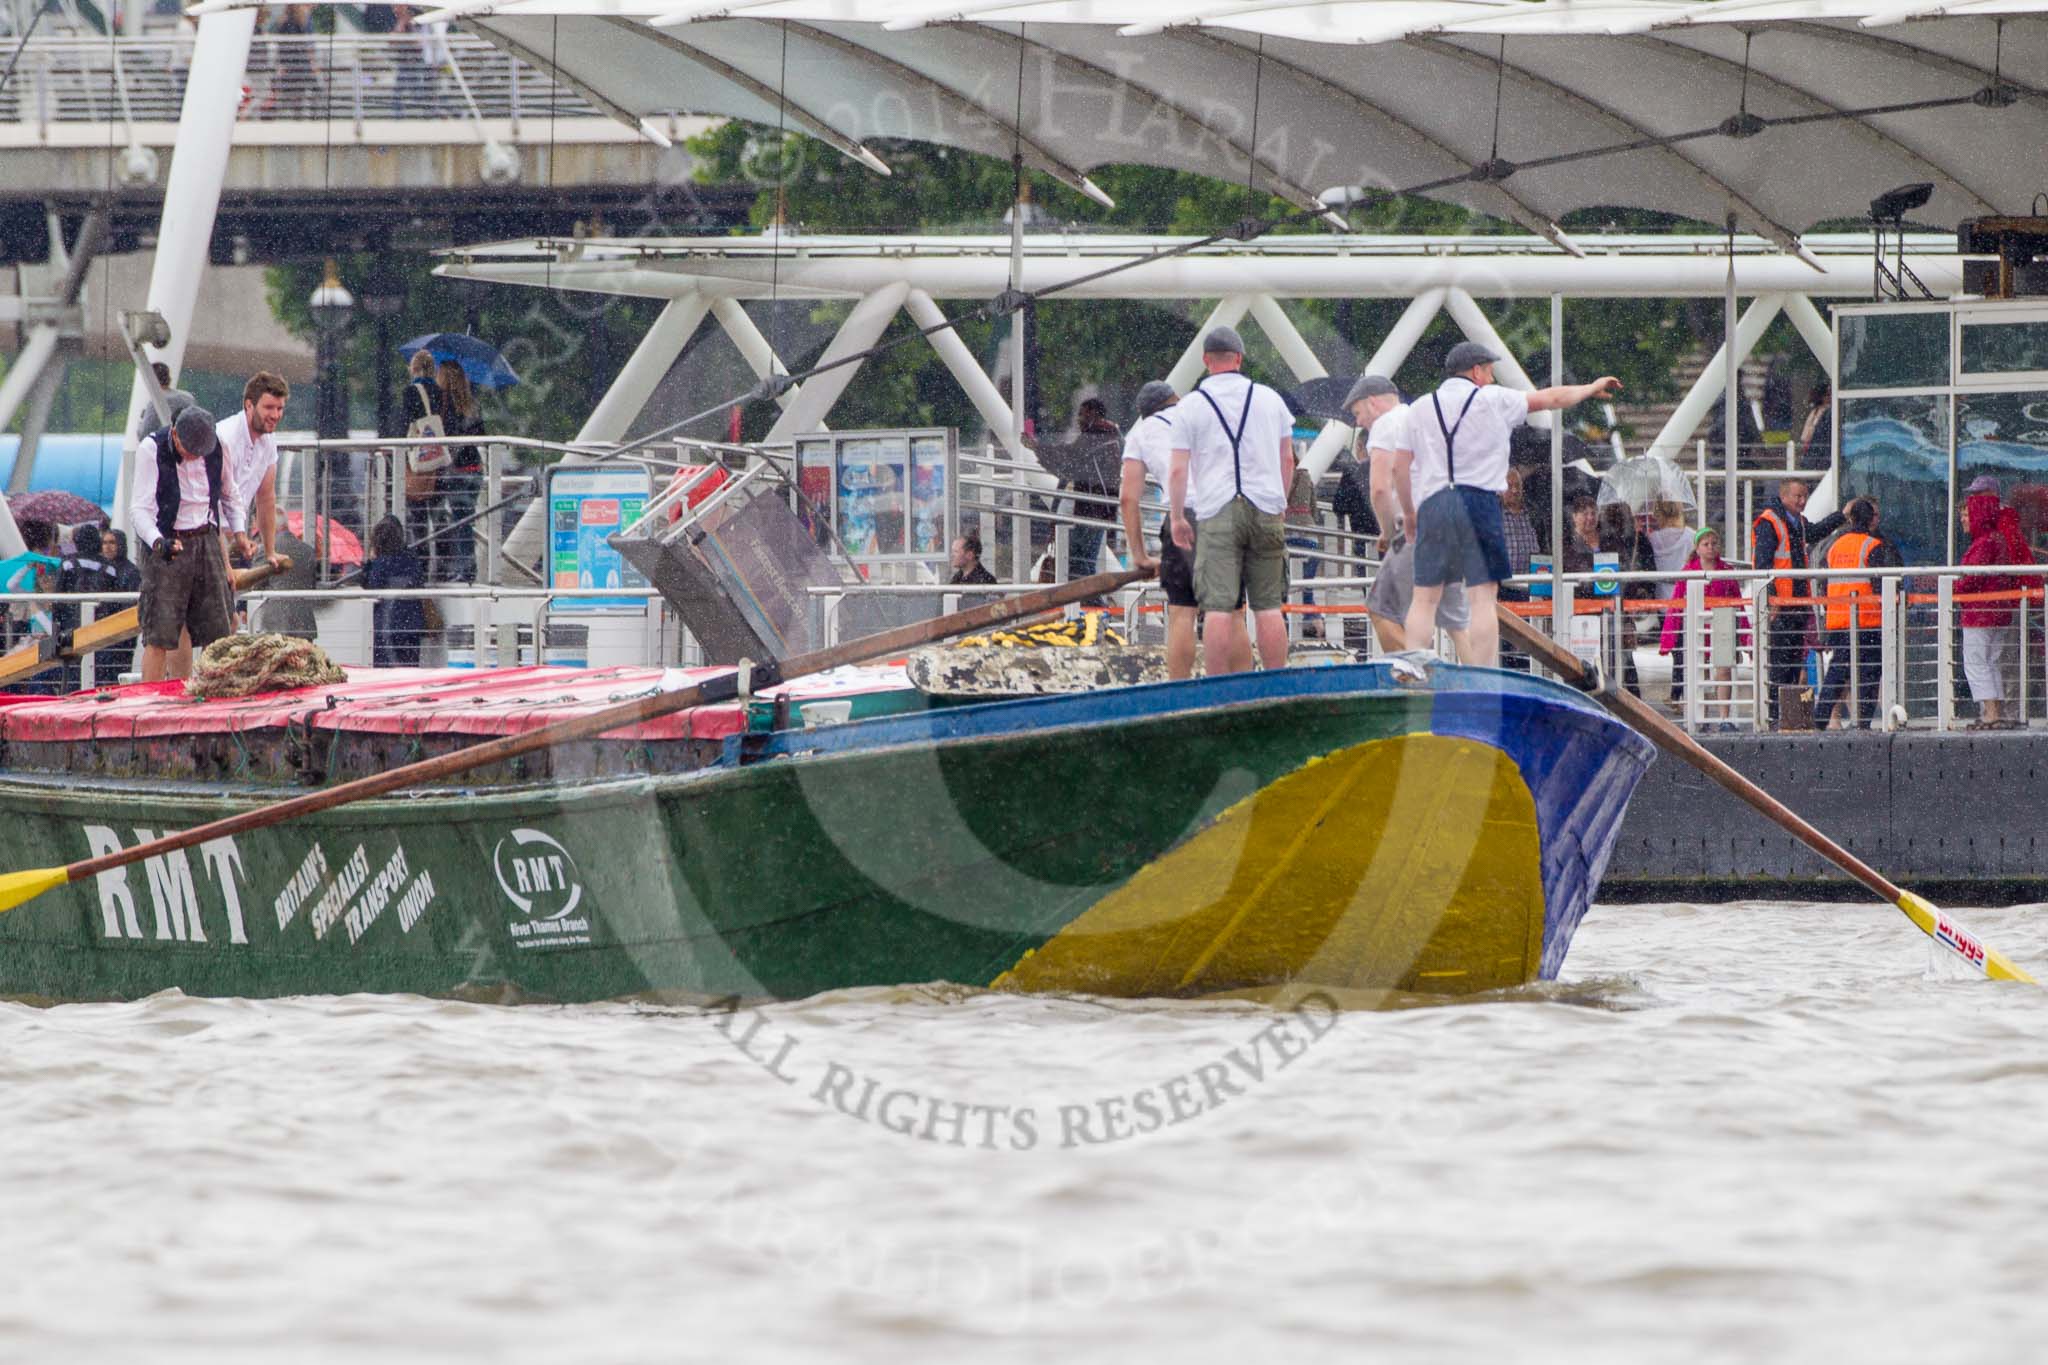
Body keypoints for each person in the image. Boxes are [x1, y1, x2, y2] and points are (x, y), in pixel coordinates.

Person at [1167, 326, 1295, 676]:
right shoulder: (1270, 399)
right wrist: (1280, 501)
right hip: (1267, 509)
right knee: (1268, 606)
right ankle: (1276, 687)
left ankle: (1218, 689)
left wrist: (1177, 517)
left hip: (1216, 511)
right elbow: (1287, 460)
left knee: (1220, 607)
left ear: (1206, 361)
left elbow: (1178, 471)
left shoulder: (1191, 406)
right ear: (1239, 358)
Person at [1120, 379, 1244, 680]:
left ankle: (1181, 693)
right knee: (1233, 612)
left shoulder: (1141, 432)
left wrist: (1139, 554)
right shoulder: (1206, 416)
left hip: (1182, 517)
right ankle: (1244, 689)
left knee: (1181, 613)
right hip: (1224, 512)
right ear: (1176, 398)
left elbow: (1128, 498)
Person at [1351, 373, 1471, 660]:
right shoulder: (1422, 416)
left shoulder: (1385, 424)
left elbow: (1380, 489)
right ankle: (1482, 683)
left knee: (1384, 609)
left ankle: (1417, 680)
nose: (1358, 422)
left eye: (1357, 413)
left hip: (1415, 529)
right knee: (1455, 622)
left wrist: (1388, 531)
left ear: (1372, 402)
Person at [128, 407, 246, 682]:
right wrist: (158, 542)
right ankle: (150, 702)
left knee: (220, 626)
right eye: (188, 449)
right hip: (166, 540)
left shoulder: (219, 447)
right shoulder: (151, 449)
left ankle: (216, 694)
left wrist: (239, 531)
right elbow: (140, 508)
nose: (194, 456)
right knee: (159, 631)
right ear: (174, 434)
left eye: (199, 451)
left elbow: (230, 494)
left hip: (206, 539)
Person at [1751, 477, 1846, 728]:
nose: (1802, 501)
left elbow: (1815, 532)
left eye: (1804, 496)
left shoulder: (1796, 522)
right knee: (1781, 664)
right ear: (1783, 496)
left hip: (1796, 604)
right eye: (1797, 497)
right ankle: (1776, 717)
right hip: (1781, 605)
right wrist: (1771, 599)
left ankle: (1788, 718)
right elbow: (1763, 564)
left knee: (1794, 663)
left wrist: (1840, 516)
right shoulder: (1770, 523)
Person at [1815, 497, 1900, 729]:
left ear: (1850, 518)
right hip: (1868, 621)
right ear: (1871, 519)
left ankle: (1819, 719)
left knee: (1837, 672)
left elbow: (1824, 582)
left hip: (1838, 620)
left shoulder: (1834, 546)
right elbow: (1883, 585)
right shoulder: (1873, 546)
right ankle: (1862, 722)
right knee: (1869, 675)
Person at [1658, 526, 1750, 730]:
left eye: (1714, 544)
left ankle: (1725, 718)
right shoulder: (1688, 572)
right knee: (1701, 674)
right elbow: (1675, 605)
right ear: (1697, 548)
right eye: (1705, 544)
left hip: (1722, 623)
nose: (1710, 548)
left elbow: (1738, 603)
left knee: (1723, 670)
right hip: (1696, 626)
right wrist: (1668, 639)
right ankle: (1703, 718)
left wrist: (1746, 638)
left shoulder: (1726, 571)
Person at [1958, 477, 2031, 728]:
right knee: (1992, 661)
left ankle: (1990, 713)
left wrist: (1952, 588)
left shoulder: (1986, 541)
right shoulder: (2001, 535)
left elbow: (1972, 578)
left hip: (1980, 613)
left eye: (1968, 512)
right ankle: (1996, 712)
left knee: (1977, 662)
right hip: (1999, 611)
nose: (1964, 519)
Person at [218, 371, 290, 566]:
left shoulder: (268, 440)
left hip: (236, 536)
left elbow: (266, 498)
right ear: (249, 405)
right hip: (208, 535)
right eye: (269, 407)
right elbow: (210, 503)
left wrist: (270, 553)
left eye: (280, 408)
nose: (275, 415)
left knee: (237, 594)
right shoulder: (226, 437)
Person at [436, 359, 485, 583]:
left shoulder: (444, 406)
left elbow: (443, 437)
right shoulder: (472, 405)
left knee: (459, 521)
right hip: (474, 468)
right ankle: (466, 567)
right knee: (464, 520)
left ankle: (464, 569)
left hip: (456, 470)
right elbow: (481, 436)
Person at [1063, 397, 1122, 578]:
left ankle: (1090, 600)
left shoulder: (1094, 437)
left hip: (1090, 508)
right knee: (1085, 558)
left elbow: (1068, 462)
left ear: (1092, 414)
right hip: (1100, 508)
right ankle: (1090, 600)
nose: (1078, 419)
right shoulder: (1111, 436)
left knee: (1080, 559)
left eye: (1082, 414)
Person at [364, 515, 428, 667]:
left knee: (386, 671)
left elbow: (373, 588)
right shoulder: (412, 560)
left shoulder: (381, 563)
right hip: (411, 624)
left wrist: (369, 563)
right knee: (410, 667)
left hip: (388, 624)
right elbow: (419, 583)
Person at [259, 521, 323, 641]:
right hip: (304, 624)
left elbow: (255, 585)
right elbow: (311, 586)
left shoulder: (266, 551)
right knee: (303, 659)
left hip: (276, 622)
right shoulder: (308, 550)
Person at [100, 529, 142, 682]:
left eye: (112, 543)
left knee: (117, 675)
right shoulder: (102, 568)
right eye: (104, 543)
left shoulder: (130, 571)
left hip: (121, 634)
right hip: (102, 632)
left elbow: (129, 605)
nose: (107, 547)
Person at [133, 362, 196, 440]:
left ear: (150, 379)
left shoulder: (155, 403)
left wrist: (140, 424)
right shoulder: (188, 397)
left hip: (166, 448)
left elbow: (144, 434)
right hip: (189, 444)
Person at [1798, 382, 1833, 461]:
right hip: (1815, 446)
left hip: (1821, 445)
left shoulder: (1828, 410)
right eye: (1827, 395)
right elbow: (1807, 433)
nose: (1830, 397)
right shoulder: (1816, 411)